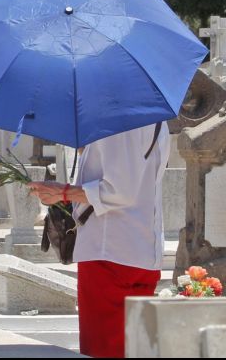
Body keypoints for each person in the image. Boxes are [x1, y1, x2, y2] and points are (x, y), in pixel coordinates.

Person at [28, 122, 169, 358]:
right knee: (134, 349)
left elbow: (118, 191)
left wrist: (63, 192)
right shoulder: (155, 119)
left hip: (109, 249)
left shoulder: (118, 122)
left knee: (101, 349)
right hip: (143, 247)